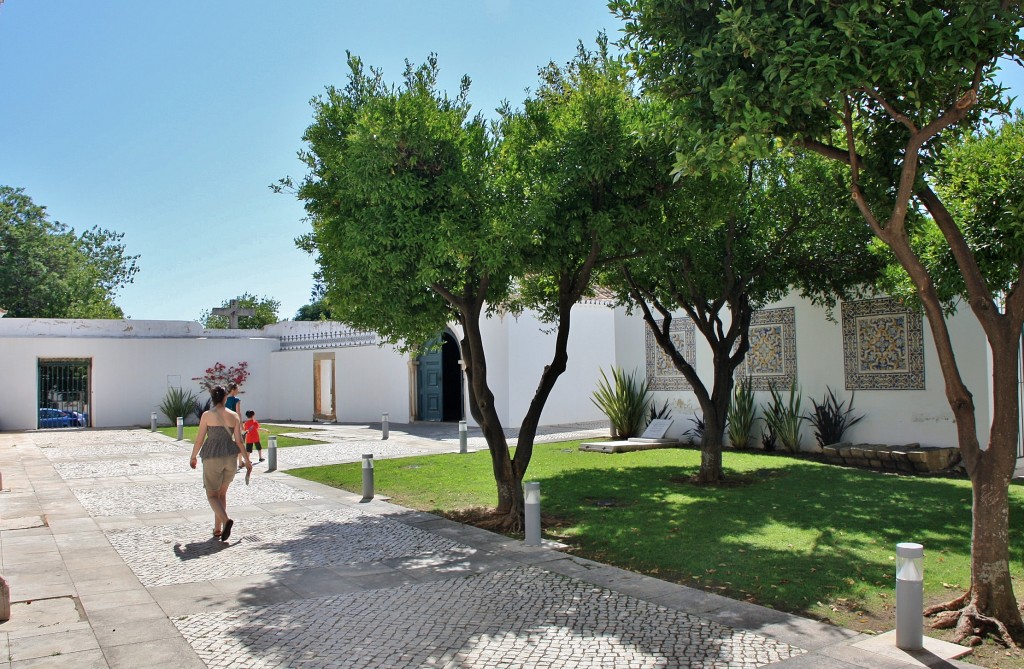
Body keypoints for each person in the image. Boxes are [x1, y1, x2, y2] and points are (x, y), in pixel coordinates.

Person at [189, 385, 252, 541]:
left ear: (212, 399)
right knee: (222, 494)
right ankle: (218, 529)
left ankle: (225, 520)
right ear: (225, 398)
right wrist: (247, 460)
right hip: (230, 457)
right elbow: (239, 441)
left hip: (212, 456)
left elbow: (199, 439)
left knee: (212, 495)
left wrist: (193, 456)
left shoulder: (206, 415)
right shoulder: (234, 416)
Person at [225, 384, 243, 469]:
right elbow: (238, 412)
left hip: (226, 422)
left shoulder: (225, 399)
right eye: (237, 389)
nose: (238, 391)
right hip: (234, 422)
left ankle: (228, 462)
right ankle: (240, 462)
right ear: (233, 389)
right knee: (238, 442)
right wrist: (241, 424)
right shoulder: (236, 400)